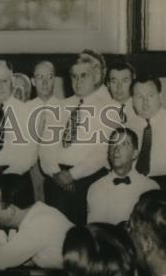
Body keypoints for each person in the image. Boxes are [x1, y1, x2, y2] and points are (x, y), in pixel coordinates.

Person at [38, 50, 114, 225]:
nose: (78, 81)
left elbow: (100, 153)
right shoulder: (61, 106)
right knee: (55, 230)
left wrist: (72, 175)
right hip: (56, 179)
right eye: (74, 76)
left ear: (95, 77)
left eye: (84, 76)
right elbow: (46, 146)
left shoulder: (107, 109)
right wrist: (56, 172)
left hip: (87, 179)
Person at [86, 127, 159, 225]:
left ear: (135, 154)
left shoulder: (150, 187)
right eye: (113, 144)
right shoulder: (96, 187)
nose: (116, 149)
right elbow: (95, 230)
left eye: (124, 144)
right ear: (108, 153)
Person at [25, 59, 65, 204]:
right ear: (33, 81)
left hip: (56, 171)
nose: (45, 82)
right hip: (29, 170)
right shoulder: (24, 109)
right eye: (40, 77)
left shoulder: (64, 108)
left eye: (49, 77)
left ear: (54, 79)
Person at [105, 60, 139, 128]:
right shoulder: (101, 110)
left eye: (125, 81)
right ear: (108, 84)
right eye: (114, 81)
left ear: (133, 83)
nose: (119, 87)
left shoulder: (141, 108)